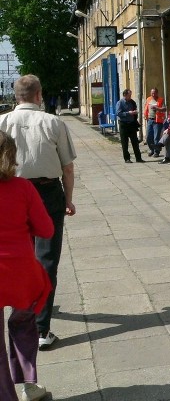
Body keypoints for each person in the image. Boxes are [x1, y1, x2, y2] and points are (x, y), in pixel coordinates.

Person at [0, 74, 77, 351]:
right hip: (46, 193)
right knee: (46, 259)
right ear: (38, 95)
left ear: (16, 95)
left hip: (9, 193)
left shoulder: (2, 122)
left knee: (17, 256)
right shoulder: (53, 122)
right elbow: (67, 167)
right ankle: (42, 329)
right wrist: (68, 199)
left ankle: (19, 314)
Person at [0, 131, 53, 401]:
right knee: (23, 324)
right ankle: (28, 386)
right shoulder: (23, 188)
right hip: (20, 274)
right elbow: (46, 230)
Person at [115, 89, 145, 164]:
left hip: (132, 124)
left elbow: (135, 109)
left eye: (131, 95)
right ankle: (127, 158)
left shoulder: (132, 102)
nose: (130, 96)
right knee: (124, 143)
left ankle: (138, 158)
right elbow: (118, 113)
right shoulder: (120, 103)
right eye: (129, 95)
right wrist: (128, 113)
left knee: (135, 142)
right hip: (123, 124)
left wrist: (135, 113)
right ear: (125, 95)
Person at [143, 87, 166, 157]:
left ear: (157, 93)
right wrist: (145, 116)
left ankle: (156, 152)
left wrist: (157, 108)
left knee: (156, 138)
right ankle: (152, 149)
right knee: (148, 137)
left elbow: (164, 109)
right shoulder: (148, 99)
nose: (153, 94)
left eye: (154, 93)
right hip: (150, 120)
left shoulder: (161, 100)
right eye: (152, 93)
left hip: (157, 121)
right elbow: (146, 108)